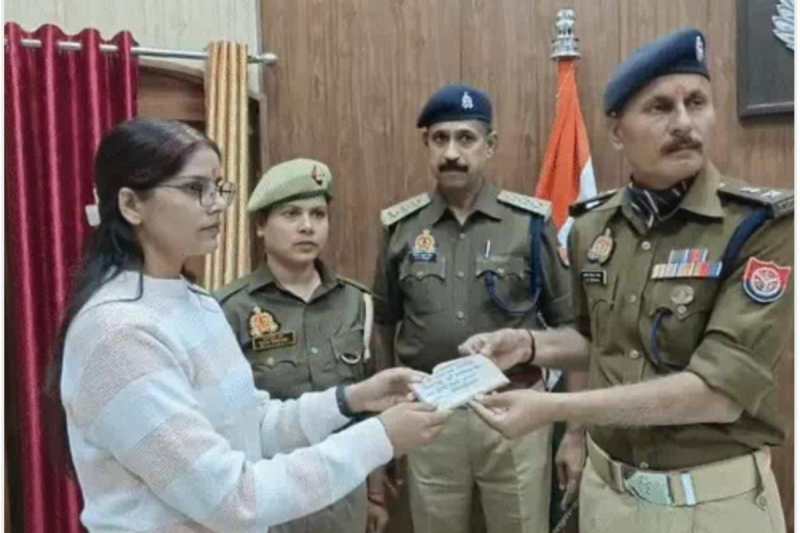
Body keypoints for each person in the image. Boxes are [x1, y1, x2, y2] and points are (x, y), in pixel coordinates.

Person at [45, 118, 450, 532]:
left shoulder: (195, 301)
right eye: (195, 188)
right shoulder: (119, 332)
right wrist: (379, 437)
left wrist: (353, 399)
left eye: (218, 187)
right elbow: (232, 498)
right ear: (132, 205)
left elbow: (252, 425)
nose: (216, 204)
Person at [461, 28, 793, 533]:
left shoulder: (759, 226)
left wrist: (554, 408)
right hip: (608, 499)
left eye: (696, 102)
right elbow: (596, 340)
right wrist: (527, 345)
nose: (684, 123)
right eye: (659, 107)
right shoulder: (593, 226)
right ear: (617, 132)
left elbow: (716, 392)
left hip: (713, 506)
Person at [372, 83, 579, 533]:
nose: (452, 152)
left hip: (514, 410)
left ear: (490, 145)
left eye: (465, 138)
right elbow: (384, 324)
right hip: (430, 417)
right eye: (440, 139)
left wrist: (575, 429)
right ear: (426, 145)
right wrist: (386, 418)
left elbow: (572, 329)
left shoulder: (528, 224)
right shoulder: (401, 229)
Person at [216, 158, 391, 533]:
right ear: (261, 225)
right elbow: (224, 420)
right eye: (291, 214)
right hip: (270, 496)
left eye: (318, 214)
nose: (307, 226)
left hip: (345, 492)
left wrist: (375, 493)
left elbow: (373, 403)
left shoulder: (356, 302)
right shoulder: (229, 310)